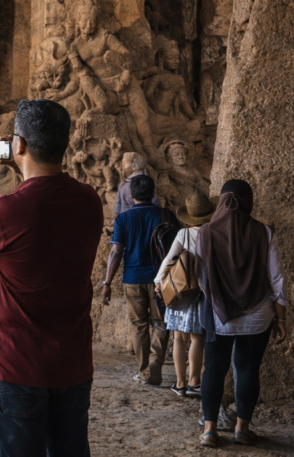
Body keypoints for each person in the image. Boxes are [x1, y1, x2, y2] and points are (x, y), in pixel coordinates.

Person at [0, 99, 103, 456]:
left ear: (18, 145)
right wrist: (24, 166)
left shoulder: (2, 211)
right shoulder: (89, 201)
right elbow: (42, 201)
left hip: (17, 365)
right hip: (72, 361)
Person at [193, 180, 287, 448]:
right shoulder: (264, 232)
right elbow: (276, 279)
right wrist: (281, 318)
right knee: (247, 368)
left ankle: (209, 431)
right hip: (258, 316)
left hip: (216, 315)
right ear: (249, 202)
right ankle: (242, 430)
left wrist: (219, 299)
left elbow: (201, 277)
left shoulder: (205, 232)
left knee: (213, 368)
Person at [102, 174, 175, 385]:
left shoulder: (123, 219)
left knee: (138, 325)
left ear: (131, 195)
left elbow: (116, 252)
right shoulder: (166, 215)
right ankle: (156, 361)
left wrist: (107, 283)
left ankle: (144, 371)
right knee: (161, 322)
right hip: (161, 279)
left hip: (132, 279)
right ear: (153, 193)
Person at [154, 192, 216, 398]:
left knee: (179, 339)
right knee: (197, 338)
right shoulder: (214, 233)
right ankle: (194, 383)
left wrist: (158, 282)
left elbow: (169, 259)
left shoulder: (184, 234)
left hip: (180, 291)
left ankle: (180, 383)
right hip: (202, 292)